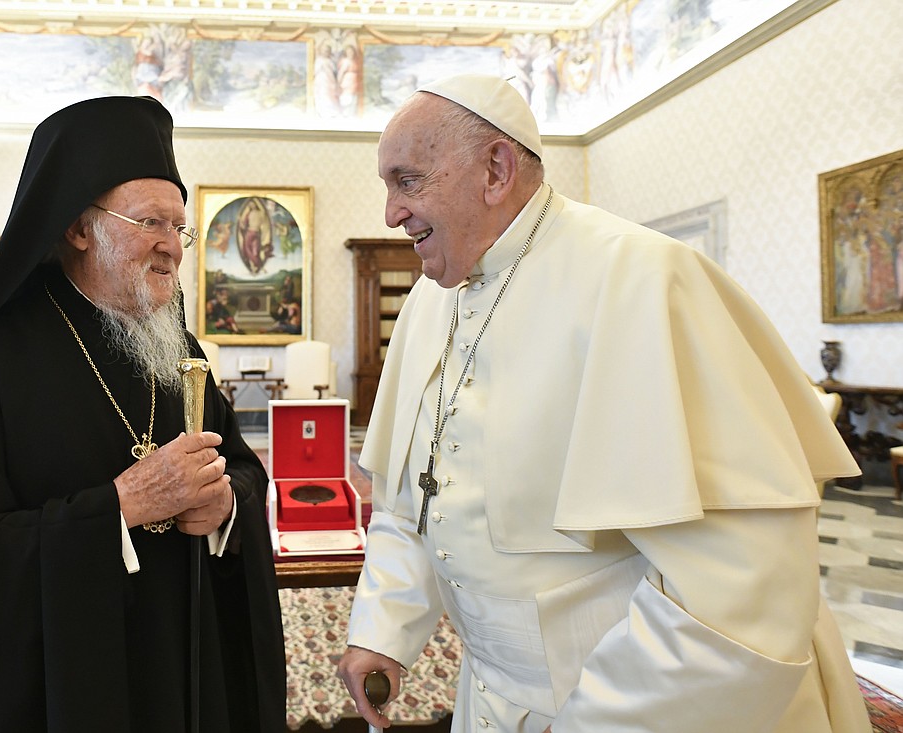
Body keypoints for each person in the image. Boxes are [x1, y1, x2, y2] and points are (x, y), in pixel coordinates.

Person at [337, 73, 870, 733]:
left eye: (407, 180)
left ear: (496, 169)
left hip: (631, 707)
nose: (390, 211)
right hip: (493, 697)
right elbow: (412, 497)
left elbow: (737, 591)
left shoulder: (641, 280)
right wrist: (383, 626)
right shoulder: (428, 301)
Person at [0, 96, 285, 733]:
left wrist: (226, 503)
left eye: (179, 228)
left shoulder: (173, 343)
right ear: (77, 227)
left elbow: (237, 463)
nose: (172, 248)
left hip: (178, 666)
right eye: (150, 222)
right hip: (63, 692)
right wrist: (115, 511)